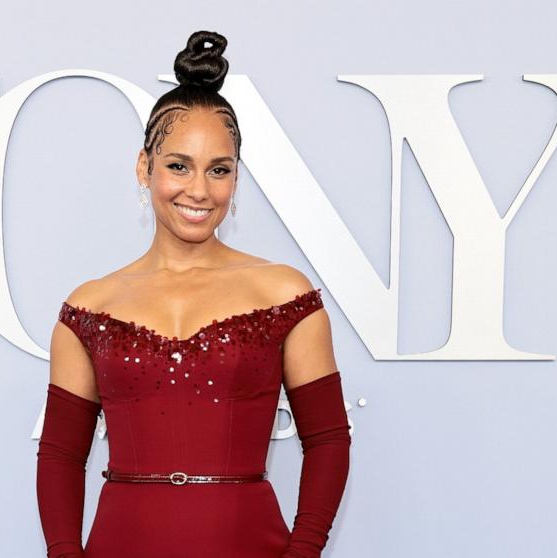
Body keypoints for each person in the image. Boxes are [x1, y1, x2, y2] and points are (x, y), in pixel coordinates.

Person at [36, 30, 351, 558]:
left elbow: (328, 440)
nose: (199, 190)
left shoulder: (283, 295)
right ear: (145, 168)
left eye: (219, 170)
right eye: (179, 165)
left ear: (236, 178)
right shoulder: (88, 310)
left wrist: (304, 552)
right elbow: (61, 457)